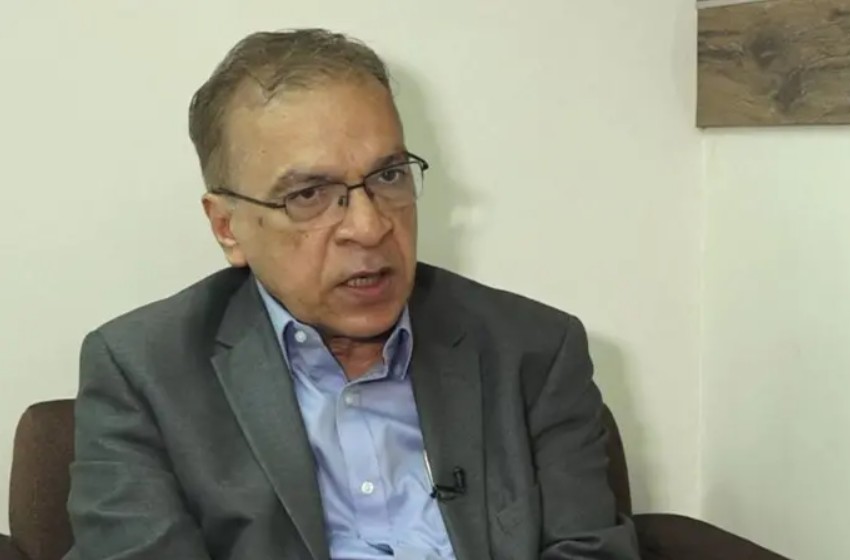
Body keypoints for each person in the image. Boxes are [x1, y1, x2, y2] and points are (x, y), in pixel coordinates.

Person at [65, 28, 640, 560]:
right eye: (309, 194)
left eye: (389, 176)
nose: (369, 227)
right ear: (227, 227)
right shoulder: (143, 373)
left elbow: (591, 549)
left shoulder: (534, 351)